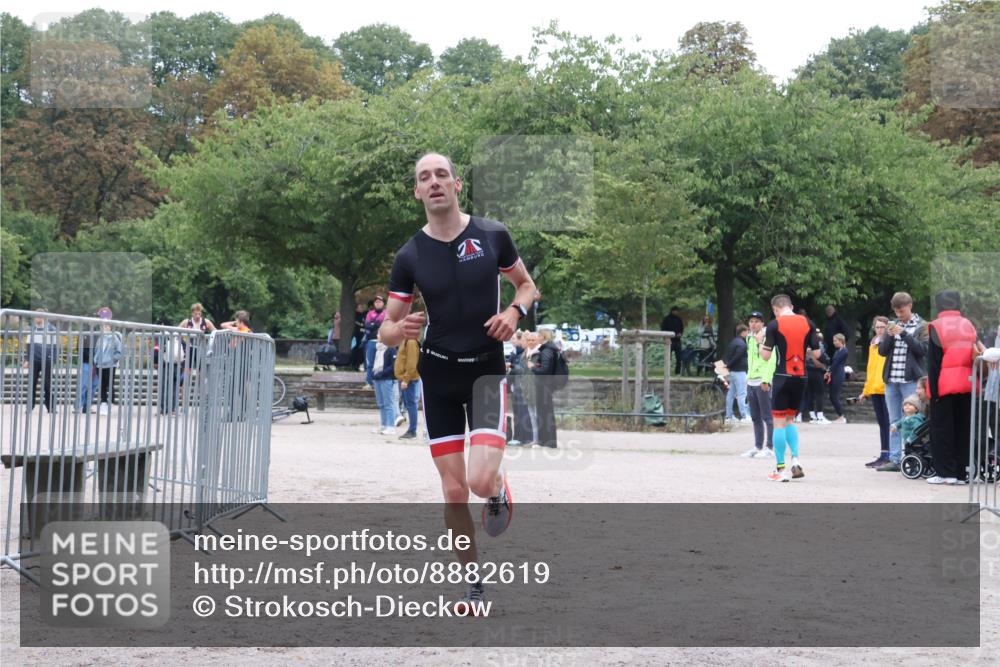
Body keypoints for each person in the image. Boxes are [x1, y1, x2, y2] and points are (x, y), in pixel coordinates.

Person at [379, 152, 536, 614]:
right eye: (423, 177)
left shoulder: (492, 235)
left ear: (457, 184)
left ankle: (498, 486)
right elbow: (386, 328)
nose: (433, 183)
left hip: (485, 369)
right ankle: (472, 584)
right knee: (452, 491)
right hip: (439, 373)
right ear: (416, 191)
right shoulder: (409, 256)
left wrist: (512, 312)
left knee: (480, 479)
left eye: (441, 174)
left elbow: (525, 286)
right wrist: (400, 329)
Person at [758, 294, 821, 482]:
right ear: (791, 306)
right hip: (801, 376)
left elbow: (766, 356)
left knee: (778, 422)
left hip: (782, 376)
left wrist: (760, 340)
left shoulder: (774, 325)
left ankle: (780, 470)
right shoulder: (808, 323)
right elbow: (817, 352)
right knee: (790, 420)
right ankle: (795, 459)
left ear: (775, 309)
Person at [926, 290, 983, 484]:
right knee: (963, 429)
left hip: (944, 385)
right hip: (967, 383)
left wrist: (932, 392)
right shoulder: (968, 325)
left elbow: (933, 363)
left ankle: (945, 473)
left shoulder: (936, 326)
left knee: (941, 430)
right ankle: (960, 473)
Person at [876, 292, 928, 472]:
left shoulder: (922, 326)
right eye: (896, 312)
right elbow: (882, 351)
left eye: (902, 311)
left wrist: (904, 334)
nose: (899, 315)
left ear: (910, 306)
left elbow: (922, 350)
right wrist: (889, 335)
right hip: (892, 380)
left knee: (913, 419)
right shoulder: (893, 325)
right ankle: (895, 459)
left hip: (911, 381)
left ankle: (913, 457)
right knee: (894, 420)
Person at [741, 311, 776, 458]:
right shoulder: (749, 338)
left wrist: (766, 380)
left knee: (767, 416)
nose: (753, 324)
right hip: (751, 380)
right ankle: (757, 446)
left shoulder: (767, 337)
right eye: (751, 321)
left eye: (756, 321)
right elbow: (751, 360)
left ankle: (770, 447)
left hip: (762, 380)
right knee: (755, 417)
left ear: (762, 323)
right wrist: (747, 379)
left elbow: (770, 359)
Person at [858, 317, 891, 467]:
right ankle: (884, 454)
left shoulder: (889, 343)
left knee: (890, 423)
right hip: (875, 388)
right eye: (878, 327)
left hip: (886, 388)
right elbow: (870, 370)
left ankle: (891, 455)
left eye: (883, 327)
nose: (880, 329)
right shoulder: (873, 344)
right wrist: (866, 390)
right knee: (882, 424)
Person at [22, 308, 58, 412]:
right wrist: (27, 359)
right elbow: (28, 345)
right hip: (34, 359)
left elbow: (55, 346)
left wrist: (53, 359)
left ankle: (50, 407)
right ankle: (30, 407)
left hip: (47, 360)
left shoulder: (51, 329)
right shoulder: (32, 328)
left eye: (38, 316)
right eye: (35, 316)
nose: (36, 318)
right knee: (31, 383)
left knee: (48, 384)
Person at [530, 329, 560, 448]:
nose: (537, 337)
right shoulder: (550, 349)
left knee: (544, 413)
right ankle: (547, 441)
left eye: (538, 335)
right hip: (546, 385)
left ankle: (547, 441)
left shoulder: (547, 350)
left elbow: (544, 370)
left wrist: (533, 367)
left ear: (543, 336)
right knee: (545, 412)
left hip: (544, 385)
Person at [93, 307, 123, 416]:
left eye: (106, 326)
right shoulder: (100, 338)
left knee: (109, 384)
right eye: (103, 326)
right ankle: (103, 403)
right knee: (101, 385)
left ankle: (110, 402)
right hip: (100, 365)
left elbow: (119, 352)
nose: (104, 328)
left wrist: (112, 359)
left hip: (110, 365)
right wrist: (95, 360)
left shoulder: (114, 338)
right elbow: (96, 350)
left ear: (110, 327)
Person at [506, 331, 534, 446]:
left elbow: (523, 370)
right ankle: (519, 437)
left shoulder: (527, 353)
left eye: (522, 340)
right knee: (518, 412)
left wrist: (511, 366)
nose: (520, 342)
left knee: (523, 413)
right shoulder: (520, 353)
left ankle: (525, 438)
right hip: (517, 385)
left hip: (523, 386)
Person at [394, 337, 422, 439]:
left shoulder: (411, 342)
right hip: (406, 379)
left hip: (409, 380)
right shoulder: (406, 340)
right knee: (409, 404)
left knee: (411, 404)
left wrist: (406, 379)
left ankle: (412, 431)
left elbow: (412, 363)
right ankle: (411, 430)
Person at [799, 332, 830, 424]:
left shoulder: (804, 347)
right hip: (816, 373)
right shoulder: (818, 348)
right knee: (819, 393)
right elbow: (823, 363)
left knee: (810, 394)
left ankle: (812, 416)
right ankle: (820, 416)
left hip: (806, 372)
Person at [722, 323, 750, 424]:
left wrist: (728, 365)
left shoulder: (733, 342)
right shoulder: (742, 344)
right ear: (743, 332)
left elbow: (729, 355)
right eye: (747, 331)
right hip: (740, 371)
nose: (748, 333)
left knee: (731, 394)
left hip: (733, 372)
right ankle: (744, 416)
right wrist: (729, 365)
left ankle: (729, 416)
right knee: (742, 393)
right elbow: (737, 357)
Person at [372, 341, 400, 435]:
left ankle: (391, 426)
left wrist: (382, 373)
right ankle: (383, 425)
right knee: (381, 403)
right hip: (377, 379)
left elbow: (394, 365)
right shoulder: (378, 349)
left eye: (380, 334)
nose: (377, 336)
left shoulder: (391, 349)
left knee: (388, 403)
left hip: (387, 379)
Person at [825, 333, 849, 423]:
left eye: (835, 340)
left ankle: (841, 416)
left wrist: (828, 372)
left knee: (834, 396)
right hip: (835, 373)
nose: (834, 342)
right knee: (832, 396)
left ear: (841, 341)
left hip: (838, 374)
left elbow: (836, 363)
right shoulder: (838, 350)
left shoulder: (844, 351)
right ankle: (840, 416)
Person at [364, 296, 387, 388]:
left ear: (383, 304)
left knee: (382, 362)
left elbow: (385, 324)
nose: (378, 303)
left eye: (380, 302)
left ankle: (381, 381)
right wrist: (377, 324)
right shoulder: (370, 313)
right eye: (376, 302)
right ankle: (369, 382)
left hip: (383, 342)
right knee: (370, 363)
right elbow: (367, 325)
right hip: (371, 341)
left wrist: (374, 324)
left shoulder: (387, 313)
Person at [660, 306, 685, 375]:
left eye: (678, 311)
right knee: (668, 357)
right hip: (669, 340)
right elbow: (663, 328)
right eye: (676, 311)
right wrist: (665, 337)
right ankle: (667, 371)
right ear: (672, 311)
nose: (677, 312)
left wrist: (680, 333)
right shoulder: (666, 319)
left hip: (677, 340)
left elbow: (681, 328)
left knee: (679, 357)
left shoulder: (679, 319)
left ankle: (677, 372)